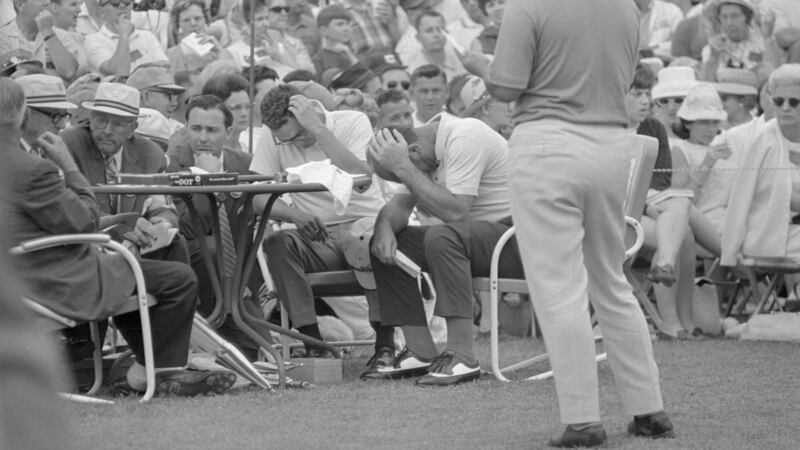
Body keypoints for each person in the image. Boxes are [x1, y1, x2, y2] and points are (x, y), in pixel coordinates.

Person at [470, 0, 673, 445]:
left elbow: (505, 85)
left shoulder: (529, 6)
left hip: (549, 143)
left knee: (559, 286)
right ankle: (649, 410)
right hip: (611, 145)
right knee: (610, 280)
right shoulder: (627, 8)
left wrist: (475, 62)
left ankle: (583, 419)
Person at [8, 75, 233, 396]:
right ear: (23, 114)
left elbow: (162, 207)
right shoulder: (59, 148)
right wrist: (120, 224)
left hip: (64, 256)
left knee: (171, 246)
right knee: (174, 276)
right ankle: (151, 371)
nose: (105, 129)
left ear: (132, 127)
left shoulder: (149, 153)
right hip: (62, 266)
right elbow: (81, 219)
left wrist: (158, 224)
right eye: (99, 120)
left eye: (117, 123)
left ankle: (158, 365)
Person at [365, 114, 520, 386]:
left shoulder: (465, 135)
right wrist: (383, 228)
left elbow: (456, 212)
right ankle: (420, 351)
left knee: (443, 235)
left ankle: (462, 356)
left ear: (411, 151)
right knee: (388, 242)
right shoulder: (422, 153)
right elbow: (400, 206)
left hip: (518, 241)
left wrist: (404, 168)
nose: (413, 175)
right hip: (477, 242)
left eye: (404, 167)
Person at [250, 85, 391, 364]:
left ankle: (385, 345)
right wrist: (295, 216)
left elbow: (361, 177)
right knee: (278, 242)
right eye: (287, 140)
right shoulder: (272, 136)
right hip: (316, 236)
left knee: (367, 241)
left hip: (362, 227)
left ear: (309, 109)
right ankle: (313, 341)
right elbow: (257, 196)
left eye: (300, 133)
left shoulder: (351, 121)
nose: (298, 142)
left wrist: (317, 129)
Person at [722, 64, 800, 266]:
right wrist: (731, 250)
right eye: (778, 100)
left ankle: (795, 294)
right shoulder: (762, 140)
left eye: (794, 102)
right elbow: (740, 197)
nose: (785, 108)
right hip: (767, 236)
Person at [700, 0, 779, 84]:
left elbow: (775, 76)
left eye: (734, 16)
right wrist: (713, 57)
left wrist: (767, 39)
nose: (729, 23)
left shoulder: (762, 42)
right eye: (724, 17)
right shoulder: (714, 47)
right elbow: (707, 85)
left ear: (747, 17)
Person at [83, 0, 168, 76]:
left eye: (126, 2)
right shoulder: (92, 41)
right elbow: (119, 72)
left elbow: (165, 69)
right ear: (101, 11)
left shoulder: (147, 36)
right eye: (114, 3)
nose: (122, 6)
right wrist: (124, 34)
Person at [0, 0, 79, 80]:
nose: (47, 2)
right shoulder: (3, 37)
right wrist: (51, 72)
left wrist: (48, 32)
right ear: (20, 5)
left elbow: (69, 72)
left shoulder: (60, 35)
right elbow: (8, 78)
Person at [165, 0, 234, 75]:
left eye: (197, 18)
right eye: (186, 20)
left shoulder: (217, 52)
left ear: (205, 20)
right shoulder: (169, 56)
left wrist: (219, 50)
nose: (193, 23)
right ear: (178, 24)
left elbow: (234, 76)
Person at [401, 10, 467, 81]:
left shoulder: (462, 63)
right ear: (418, 37)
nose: (436, 34)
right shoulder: (412, 71)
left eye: (440, 29)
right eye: (429, 31)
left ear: (447, 33)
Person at [126, 65, 186, 134]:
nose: (174, 104)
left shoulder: (178, 132)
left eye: (174, 96)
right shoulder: (118, 133)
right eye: (168, 95)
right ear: (146, 96)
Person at [651, 66, 698, 143]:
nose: (671, 107)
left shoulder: (716, 140)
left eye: (678, 100)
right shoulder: (650, 140)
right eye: (664, 101)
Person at [311, 4, 358, 77]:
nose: (346, 28)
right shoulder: (319, 60)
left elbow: (366, 79)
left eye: (348, 24)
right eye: (340, 24)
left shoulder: (354, 53)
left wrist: (350, 56)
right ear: (324, 31)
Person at [48, 0, 91, 79]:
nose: (79, 10)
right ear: (54, 8)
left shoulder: (79, 37)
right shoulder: (45, 37)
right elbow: (68, 73)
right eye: (73, 4)